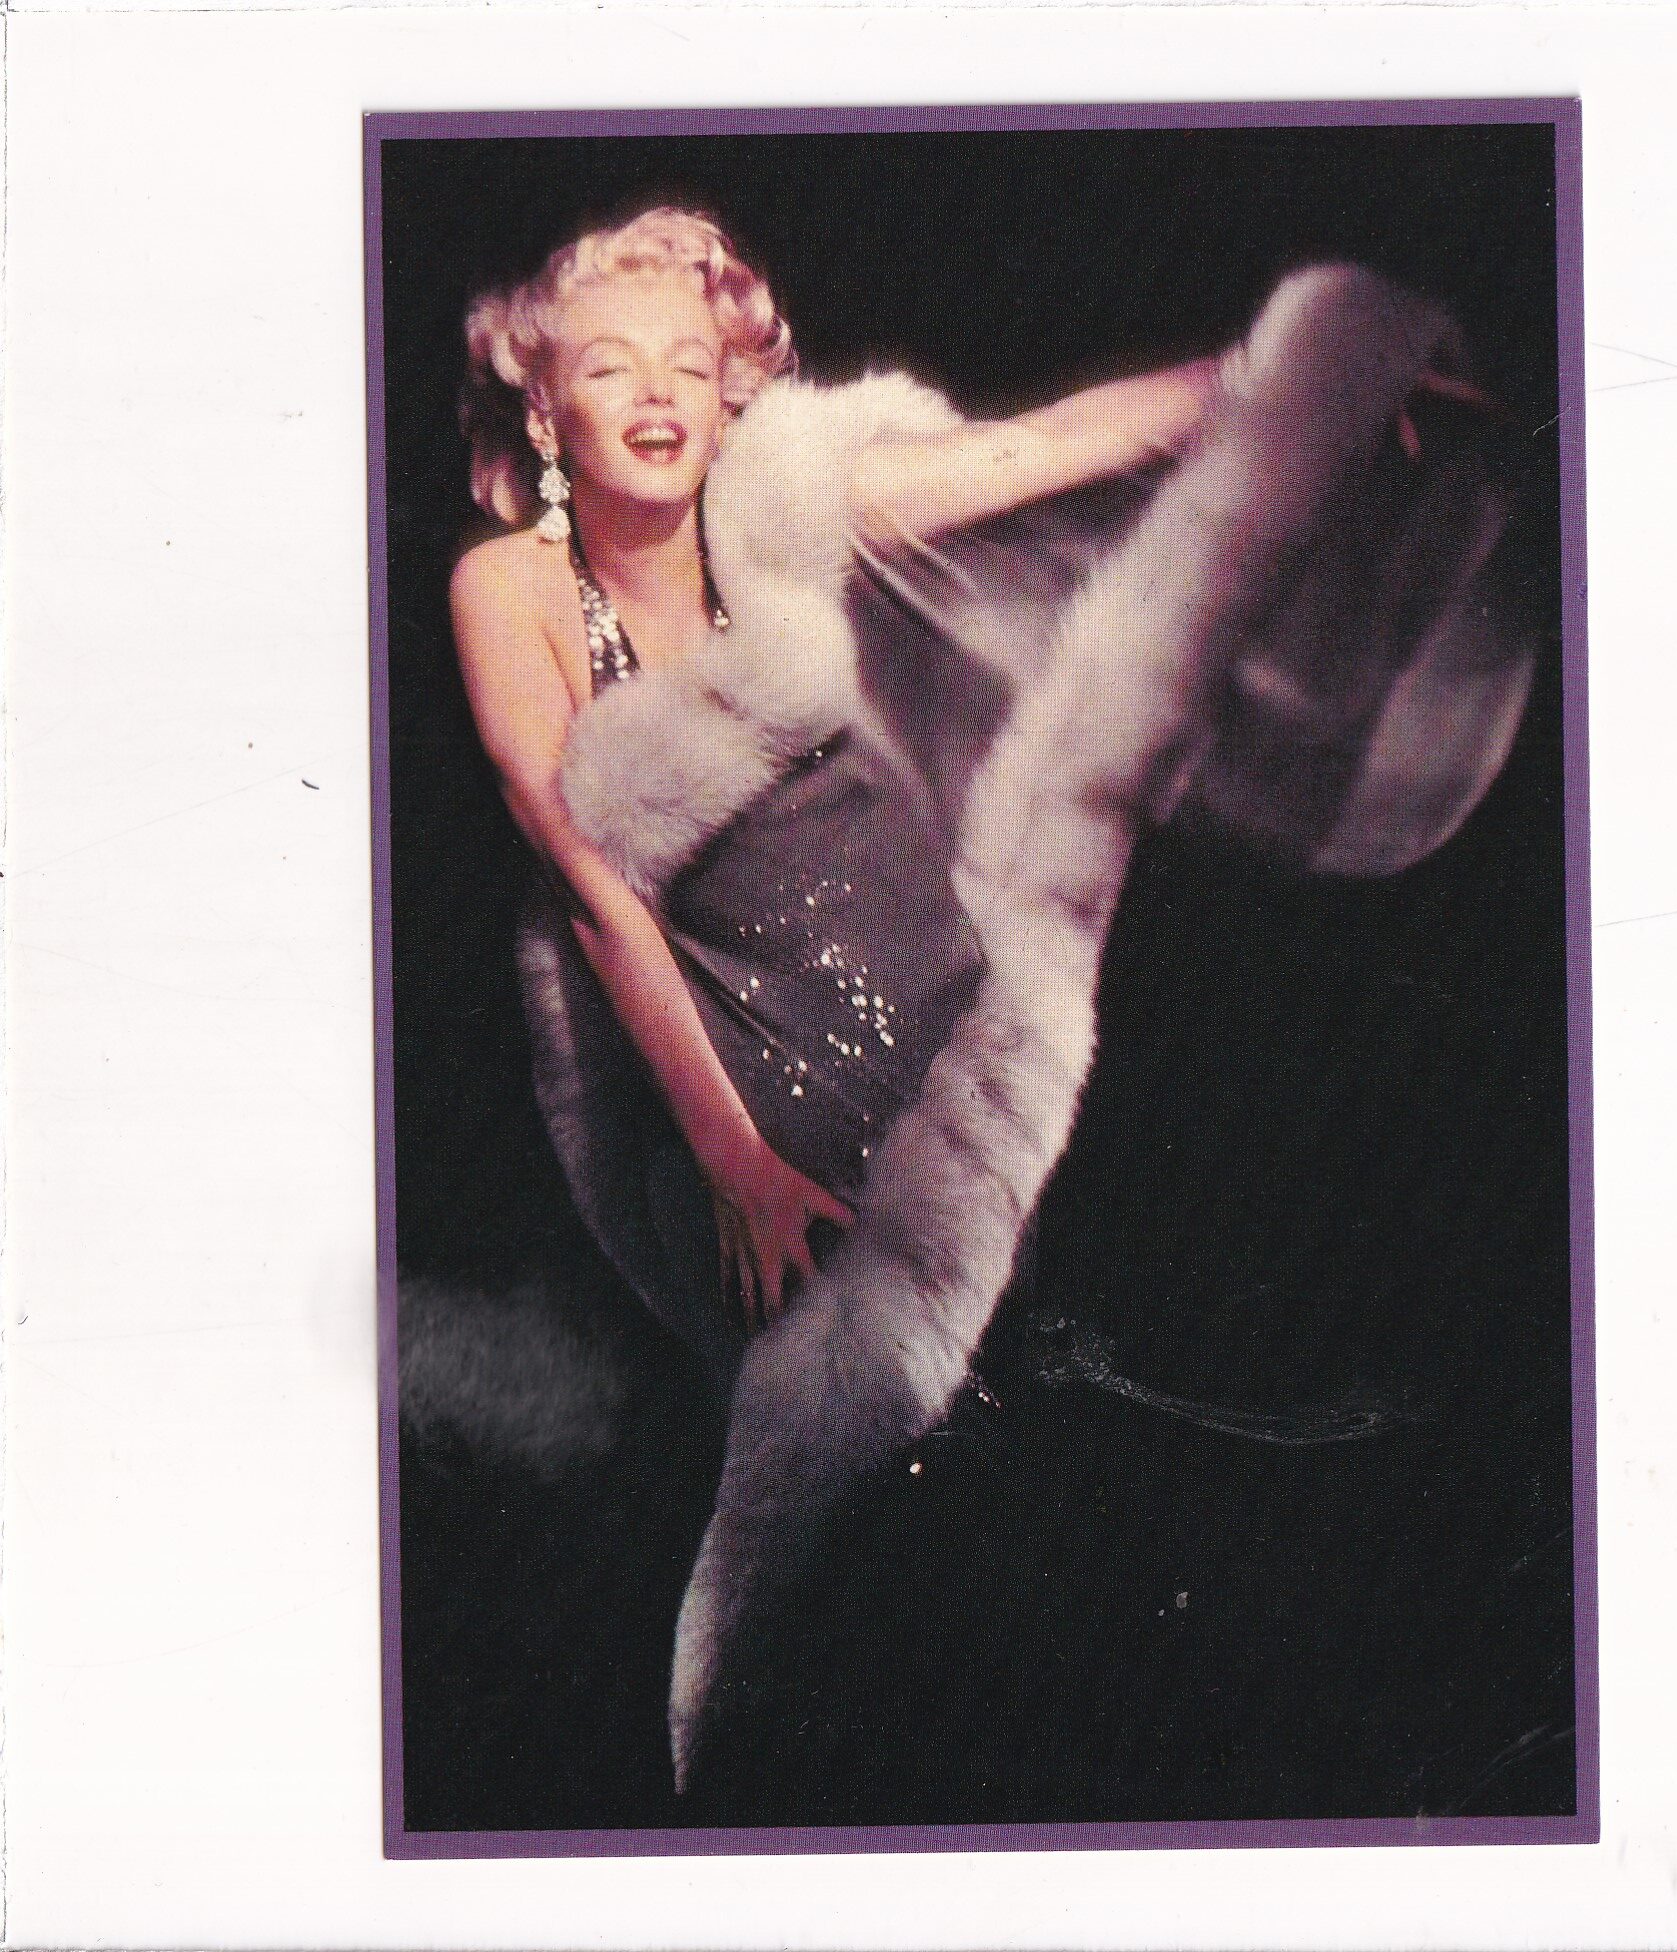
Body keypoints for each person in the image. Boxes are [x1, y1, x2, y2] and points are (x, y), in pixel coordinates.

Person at [445, 203, 1532, 1781]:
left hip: (950, 1006)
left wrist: (1285, 390)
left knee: (994, 1421)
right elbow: (593, 892)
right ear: (547, 413)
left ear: (731, 390)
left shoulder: (779, 517)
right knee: (816, 1466)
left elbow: (1045, 445)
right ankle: (746, 1790)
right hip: (738, 1085)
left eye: (689, 361)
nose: (659, 392)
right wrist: (735, 1161)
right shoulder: (512, 590)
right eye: (611, 367)